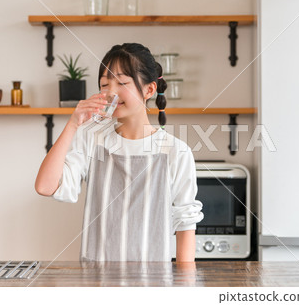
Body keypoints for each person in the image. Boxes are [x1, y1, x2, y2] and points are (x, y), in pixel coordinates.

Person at [35, 43, 203, 262]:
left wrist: (184, 286)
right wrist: (73, 124)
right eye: (104, 84)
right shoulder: (92, 138)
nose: (110, 92)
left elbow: (185, 224)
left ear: (149, 90)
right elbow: (45, 186)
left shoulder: (175, 151)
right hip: (96, 283)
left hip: (154, 284)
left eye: (122, 82)